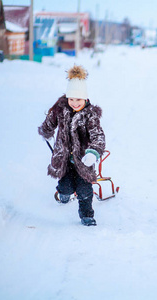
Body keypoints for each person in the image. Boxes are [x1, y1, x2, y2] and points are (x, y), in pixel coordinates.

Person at [38, 65, 105, 226]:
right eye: (71, 99)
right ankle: (64, 193)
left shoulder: (90, 115)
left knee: (84, 191)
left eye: (78, 99)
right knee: (66, 186)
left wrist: (93, 152)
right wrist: (45, 132)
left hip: (83, 160)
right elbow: (49, 123)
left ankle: (87, 215)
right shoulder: (60, 110)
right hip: (64, 159)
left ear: (86, 99)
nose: (75, 103)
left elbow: (98, 136)